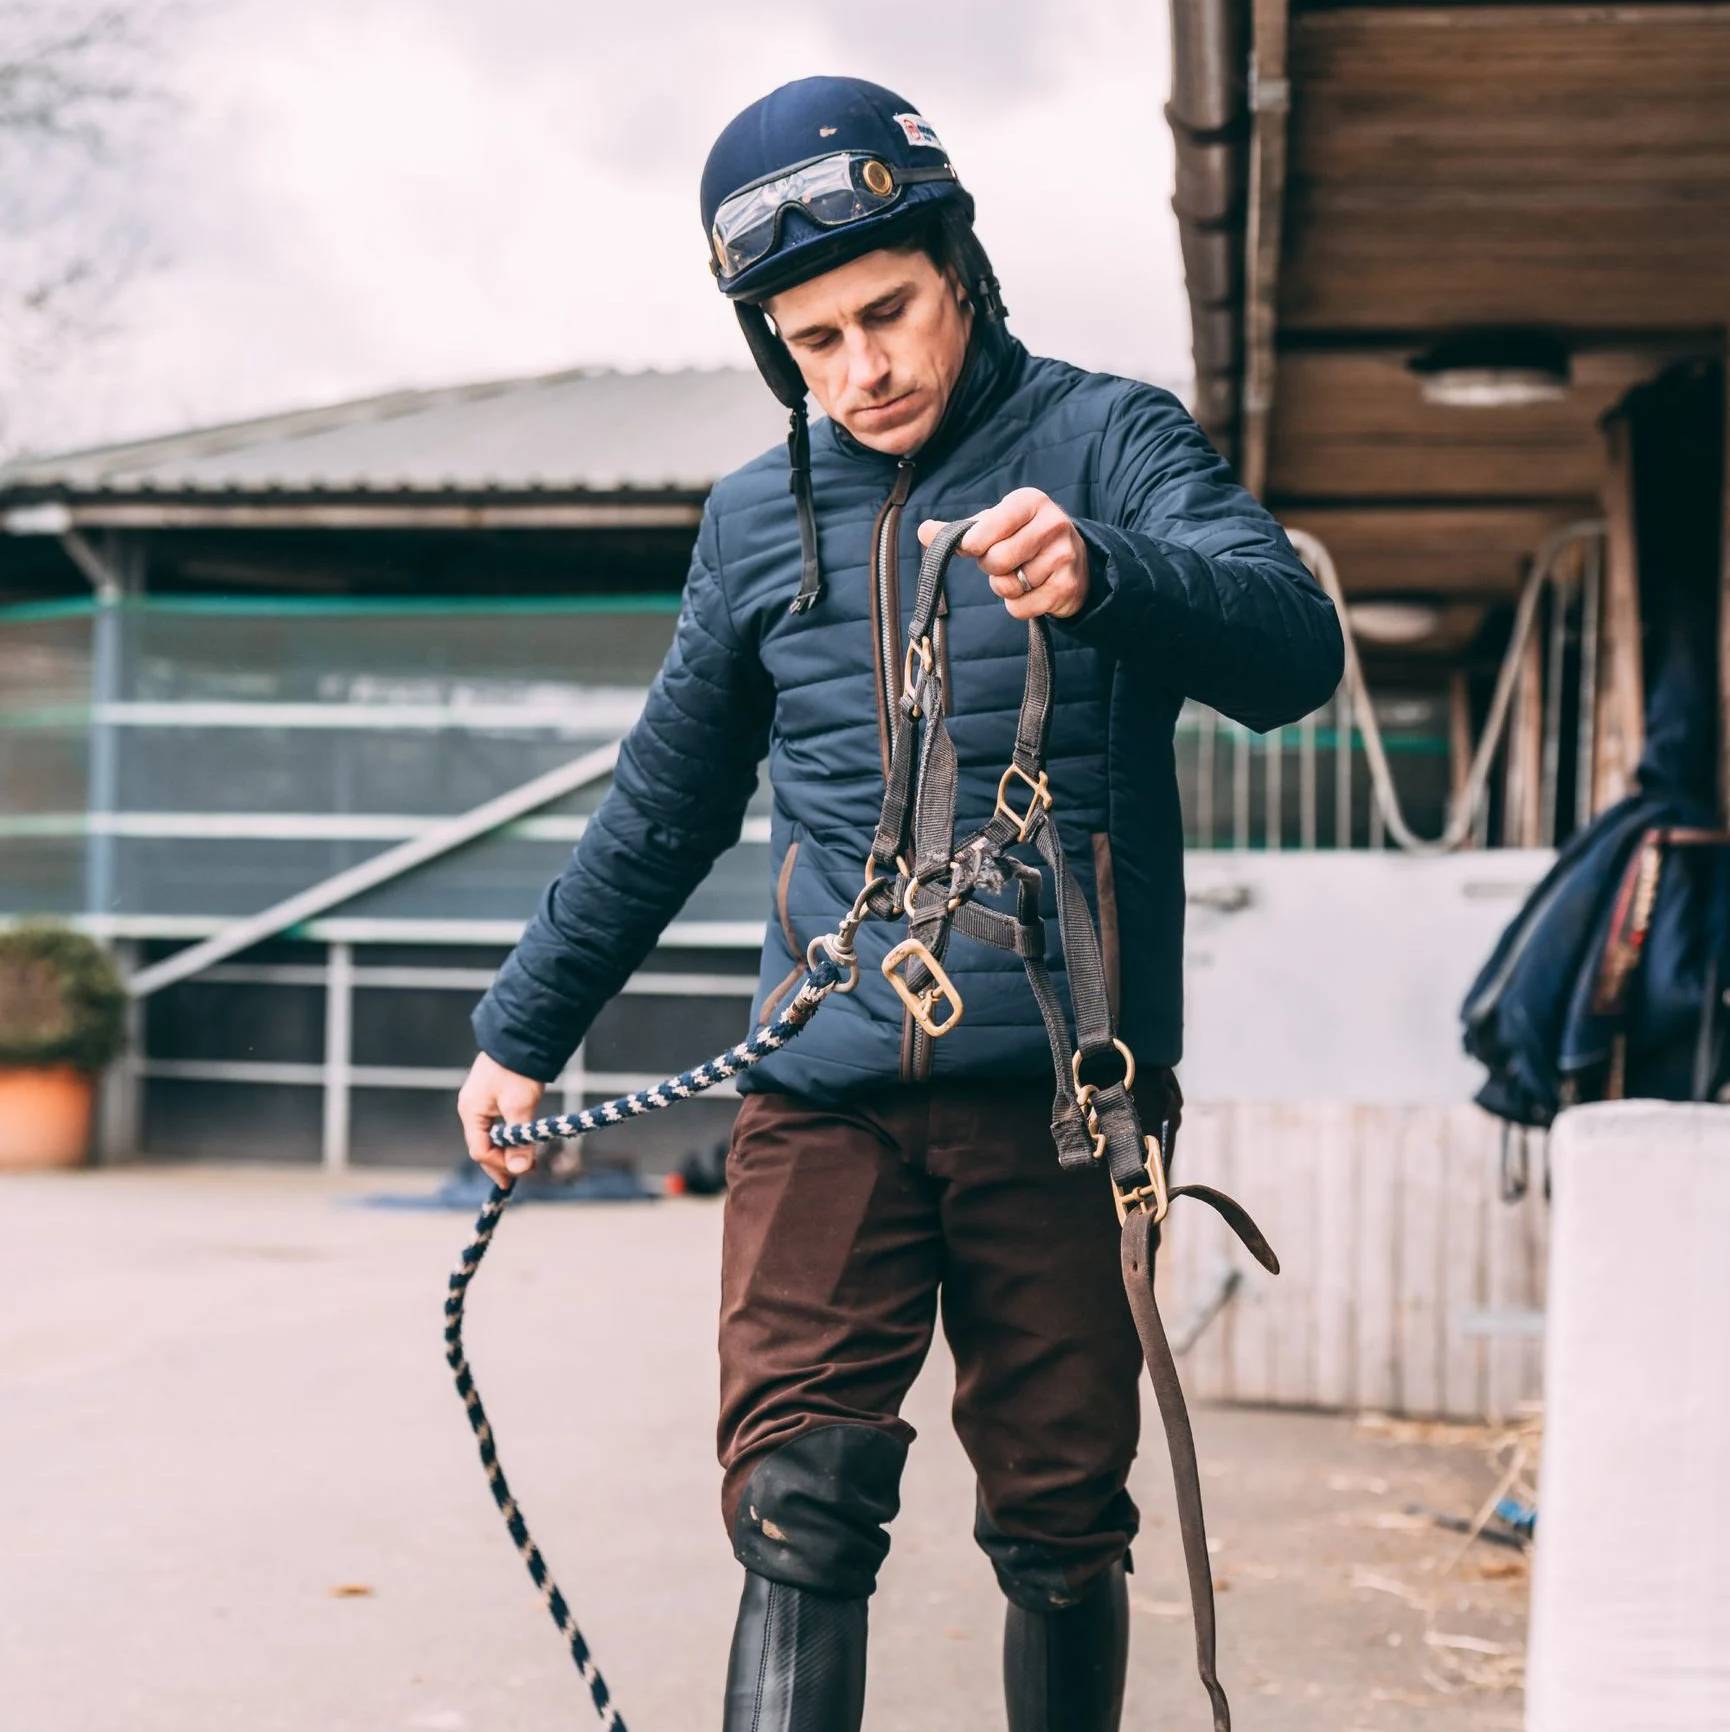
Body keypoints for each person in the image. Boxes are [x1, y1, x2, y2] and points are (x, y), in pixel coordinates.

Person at [457, 75, 1342, 1732]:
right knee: (797, 1504)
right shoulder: (750, 520)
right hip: (825, 1095)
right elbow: (661, 804)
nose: (862, 370)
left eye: (890, 312)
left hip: (1065, 1096)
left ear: (961, 272)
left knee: (1062, 1527)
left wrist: (1111, 569)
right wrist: (522, 1031)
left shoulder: (1108, 440)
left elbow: (1293, 652)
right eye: (812, 340)